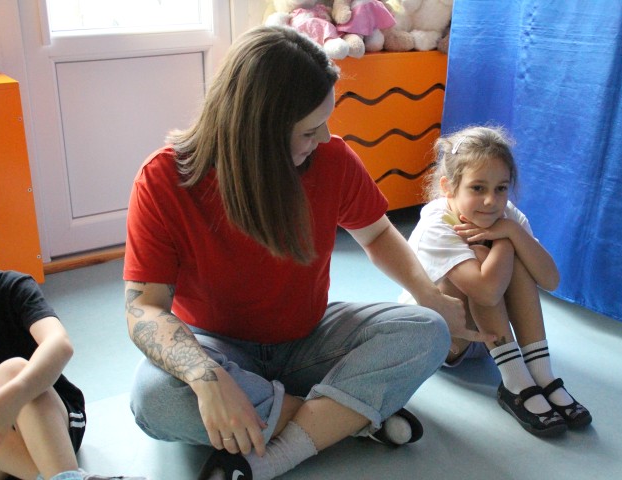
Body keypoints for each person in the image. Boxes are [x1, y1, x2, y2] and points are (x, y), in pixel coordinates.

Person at [123, 26, 493, 480]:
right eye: (309, 129)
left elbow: (378, 234)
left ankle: (288, 442)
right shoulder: (163, 178)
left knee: (426, 331)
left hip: (309, 339)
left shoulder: (332, 159)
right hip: (216, 347)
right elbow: (144, 308)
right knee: (154, 398)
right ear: (258, 131)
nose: (325, 136)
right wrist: (205, 376)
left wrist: (430, 296)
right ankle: (345, 418)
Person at [400, 126, 592, 437]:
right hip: (444, 341)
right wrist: (504, 242)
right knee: (485, 262)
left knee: (514, 258)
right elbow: (487, 293)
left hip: (491, 341)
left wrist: (512, 233)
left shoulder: (507, 217)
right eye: (477, 188)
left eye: (501, 188)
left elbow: (550, 279)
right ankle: (516, 383)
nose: (491, 200)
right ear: (449, 187)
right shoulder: (437, 225)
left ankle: (541, 374)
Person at [0, 188, 146, 480]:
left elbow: (60, 344)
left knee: (10, 371)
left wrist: (11, 397)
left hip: (47, 422)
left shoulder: (12, 288)